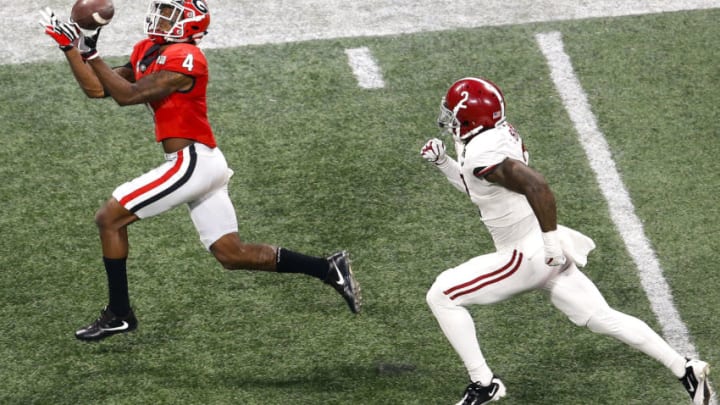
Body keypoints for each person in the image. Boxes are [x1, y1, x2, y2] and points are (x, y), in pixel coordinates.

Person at [39, 0, 361, 342]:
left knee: (109, 217)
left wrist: (90, 53)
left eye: (169, 14)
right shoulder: (148, 49)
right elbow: (98, 89)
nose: (160, 18)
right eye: (161, 11)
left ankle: (119, 313)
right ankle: (327, 267)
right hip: (202, 162)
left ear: (190, 25)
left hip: (191, 163)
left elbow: (129, 96)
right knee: (231, 254)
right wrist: (72, 48)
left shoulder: (187, 58)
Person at [420, 77, 711, 405]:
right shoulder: (491, 139)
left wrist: (550, 242)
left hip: (525, 254)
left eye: (454, 114)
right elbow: (481, 191)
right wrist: (445, 164)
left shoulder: (482, 153)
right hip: (537, 248)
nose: (449, 119)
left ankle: (484, 383)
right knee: (602, 317)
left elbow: (538, 187)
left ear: (471, 118)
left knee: (442, 295)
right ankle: (685, 368)